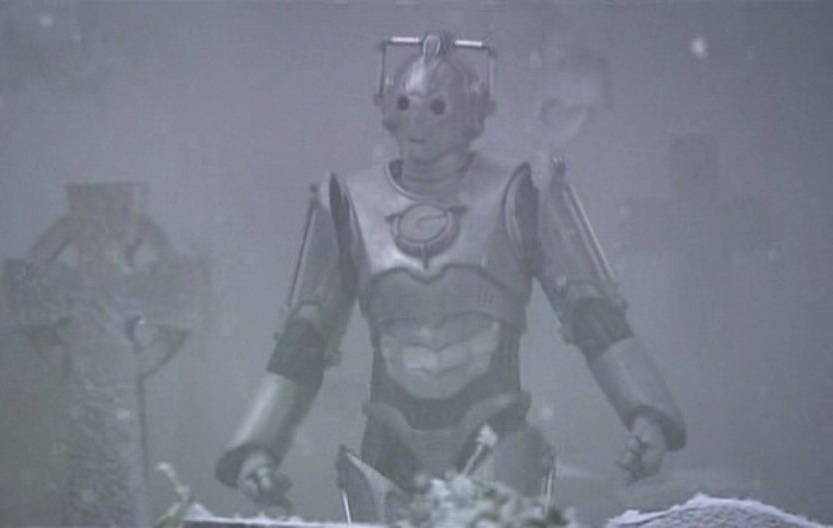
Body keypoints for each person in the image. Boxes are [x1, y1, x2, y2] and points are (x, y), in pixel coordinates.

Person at [215, 31, 685, 521]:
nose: (418, 121)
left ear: (468, 115)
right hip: (390, 443)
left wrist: (646, 411)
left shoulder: (518, 194)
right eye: (407, 105)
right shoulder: (353, 203)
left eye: (436, 108)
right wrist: (258, 446)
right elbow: (306, 333)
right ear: (389, 107)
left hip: (497, 435)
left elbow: (590, 308)